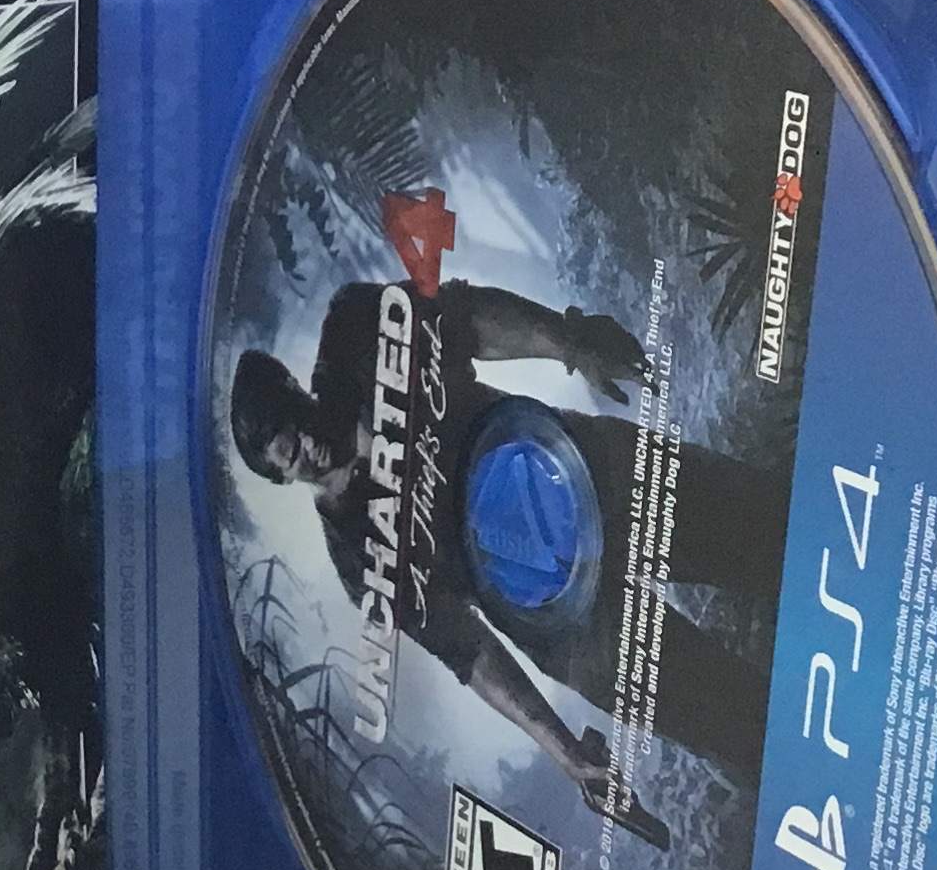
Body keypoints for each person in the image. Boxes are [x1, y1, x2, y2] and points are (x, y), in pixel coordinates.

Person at [231, 274, 781, 838]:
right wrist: (566, 753)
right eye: (290, 456)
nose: (309, 447)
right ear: (279, 476)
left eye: (298, 423)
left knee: (773, 529)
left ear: (297, 389)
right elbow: (468, 651)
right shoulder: (358, 562)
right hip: (570, 629)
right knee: (744, 723)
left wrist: (572, 344)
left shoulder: (355, 331)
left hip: (593, 470)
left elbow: (466, 321)